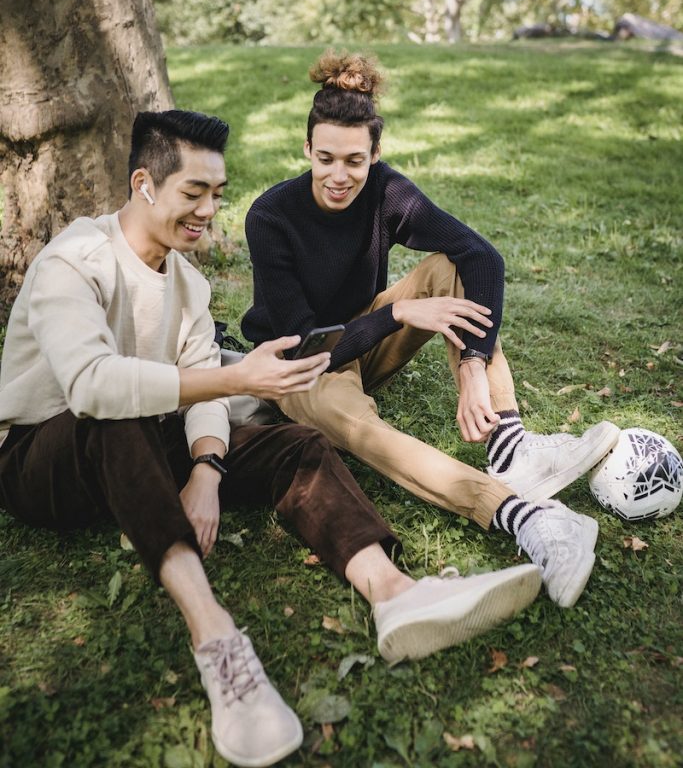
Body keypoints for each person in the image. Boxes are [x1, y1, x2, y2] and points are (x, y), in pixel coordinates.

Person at [0, 110, 545, 768]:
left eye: (216, 194)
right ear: (144, 184)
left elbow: (199, 395)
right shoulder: (75, 261)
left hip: (149, 441)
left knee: (296, 445)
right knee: (116, 421)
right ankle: (217, 638)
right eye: (192, 194)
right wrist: (233, 376)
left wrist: (206, 467)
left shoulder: (188, 285)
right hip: (42, 461)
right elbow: (91, 387)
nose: (207, 212)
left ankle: (394, 592)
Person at [242, 51, 620, 610]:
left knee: (447, 268)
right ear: (306, 150)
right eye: (325, 159)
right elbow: (309, 347)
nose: (339, 176)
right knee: (359, 427)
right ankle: (525, 516)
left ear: (375, 154)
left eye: (354, 160)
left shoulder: (385, 192)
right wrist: (397, 315)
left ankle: (510, 445)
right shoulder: (270, 217)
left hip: (362, 340)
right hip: (298, 368)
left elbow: (481, 257)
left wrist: (472, 363)